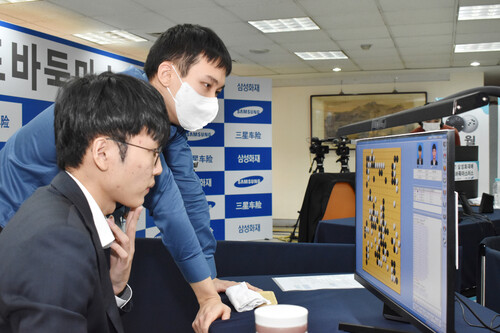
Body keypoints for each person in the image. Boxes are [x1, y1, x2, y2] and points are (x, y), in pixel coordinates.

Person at [0, 24, 258, 331]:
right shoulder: (127, 109)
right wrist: (204, 295)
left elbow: (192, 201)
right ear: (166, 74)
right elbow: (170, 208)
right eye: (206, 85)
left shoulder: (162, 120)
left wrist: (208, 277)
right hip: (23, 215)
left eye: (217, 91)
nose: (211, 101)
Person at [0, 72, 170, 332]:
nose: (157, 169)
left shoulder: (62, 210)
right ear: (102, 153)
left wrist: (112, 288)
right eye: (153, 153)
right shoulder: (58, 240)